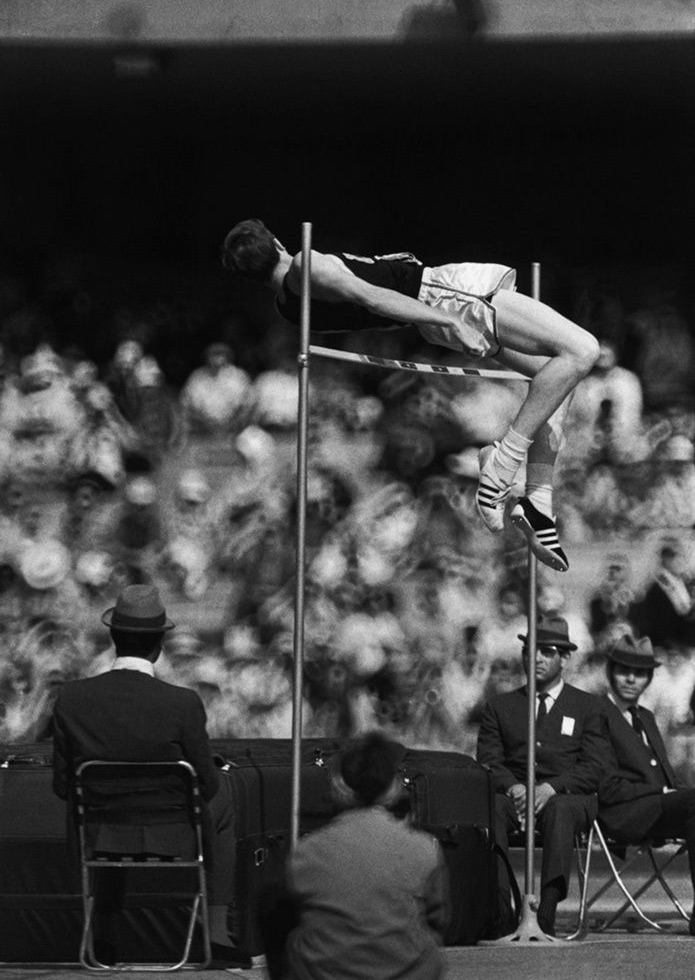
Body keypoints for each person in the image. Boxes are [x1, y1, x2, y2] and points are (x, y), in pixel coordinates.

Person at [220, 219, 600, 572]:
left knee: (555, 377)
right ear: (276, 242)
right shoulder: (304, 266)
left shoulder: (287, 306)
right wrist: (450, 319)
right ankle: (502, 464)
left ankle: (537, 498)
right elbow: (370, 295)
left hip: (438, 307)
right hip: (449, 295)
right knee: (582, 350)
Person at [50, 583, 251, 970]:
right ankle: (217, 934)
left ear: (112, 637)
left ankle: (104, 934)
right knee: (224, 798)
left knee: (104, 808)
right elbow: (206, 785)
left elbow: (62, 786)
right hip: (171, 831)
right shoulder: (182, 703)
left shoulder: (71, 698)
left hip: (100, 833)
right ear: (159, 644)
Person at [267, 731, 449, 980]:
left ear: (339, 785)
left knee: (271, 906)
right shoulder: (423, 848)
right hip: (408, 971)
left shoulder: (306, 852)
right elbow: (438, 919)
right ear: (394, 788)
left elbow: (293, 915)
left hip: (323, 973)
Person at [476, 615, 608, 936]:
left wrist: (552, 788)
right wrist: (514, 788)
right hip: (516, 797)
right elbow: (489, 761)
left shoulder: (587, 706)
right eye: (530, 650)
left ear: (564, 658)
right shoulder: (501, 706)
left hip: (567, 799)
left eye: (546, 651)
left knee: (560, 810)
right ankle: (503, 909)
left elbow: (595, 766)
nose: (535, 658)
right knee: (491, 807)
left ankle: (545, 910)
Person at [597, 633, 695, 934]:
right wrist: (663, 792)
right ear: (611, 672)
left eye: (639, 673)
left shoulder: (646, 717)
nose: (631, 679)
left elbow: (665, 772)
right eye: (623, 670)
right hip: (623, 814)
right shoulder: (597, 714)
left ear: (649, 678)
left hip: (657, 811)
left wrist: (672, 791)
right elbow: (606, 784)